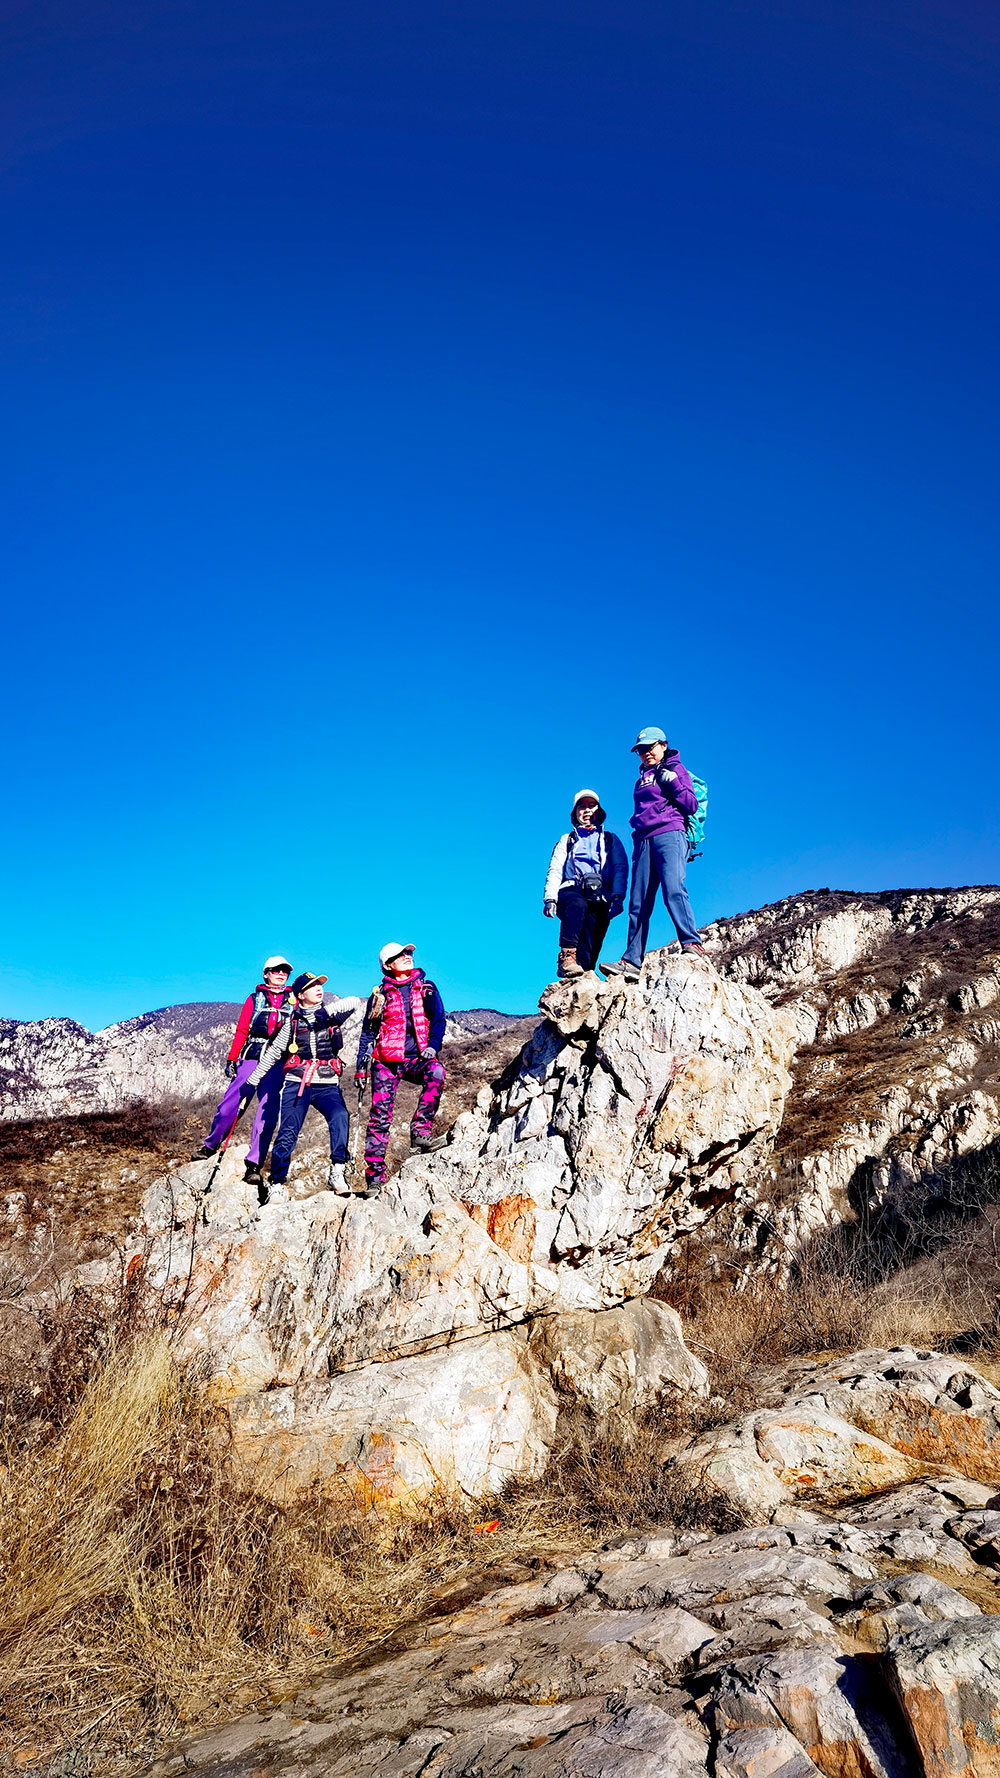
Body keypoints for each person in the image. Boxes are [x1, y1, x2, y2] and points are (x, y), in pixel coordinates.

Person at [248, 971, 364, 1205]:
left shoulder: (332, 1018)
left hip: (327, 1083)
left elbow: (355, 1001)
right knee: (288, 1131)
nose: (319, 989)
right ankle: (278, 1183)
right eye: (313, 986)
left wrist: (326, 1012)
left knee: (340, 1116)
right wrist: (252, 1080)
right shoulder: (290, 1024)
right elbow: (272, 1054)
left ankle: (337, 1171)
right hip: (296, 1083)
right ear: (300, 995)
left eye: (320, 985)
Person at [601, 726, 706, 982]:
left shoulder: (675, 769)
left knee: (673, 889)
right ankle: (632, 961)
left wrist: (672, 781)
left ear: (663, 745)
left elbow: (690, 805)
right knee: (639, 902)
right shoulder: (640, 779)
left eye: (649, 747)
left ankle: (691, 943)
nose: (645, 753)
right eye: (640, 750)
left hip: (670, 833)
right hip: (643, 841)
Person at [192, 955, 295, 1185]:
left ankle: (254, 1165)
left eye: (285, 971)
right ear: (266, 973)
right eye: (276, 970)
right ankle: (211, 1144)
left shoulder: (293, 1001)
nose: (281, 974)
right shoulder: (254, 999)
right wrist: (232, 1057)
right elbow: (241, 1030)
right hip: (252, 1055)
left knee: (267, 1111)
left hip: (276, 1060)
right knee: (230, 1103)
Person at [355, 943, 447, 1196]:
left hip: (417, 1056)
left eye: (408, 953)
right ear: (387, 965)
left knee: (436, 1073)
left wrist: (433, 1046)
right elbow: (368, 1032)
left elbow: (438, 1019)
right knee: (380, 1117)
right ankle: (374, 1178)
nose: (407, 957)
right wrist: (361, 1069)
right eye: (399, 956)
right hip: (385, 1060)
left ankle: (420, 1133)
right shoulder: (380, 994)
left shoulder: (426, 987)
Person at [543, 789, 628, 978]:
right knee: (576, 903)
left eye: (592, 806)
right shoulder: (567, 839)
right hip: (571, 889)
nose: (587, 810)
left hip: (600, 894)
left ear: (599, 811)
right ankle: (567, 957)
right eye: (582, 806)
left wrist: (617, 896)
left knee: (592, 941)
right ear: (575, 813)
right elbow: (555, 869)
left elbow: (620, 868)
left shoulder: (610, 839)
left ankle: (583, 975)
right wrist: (550, 898)